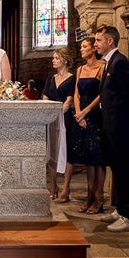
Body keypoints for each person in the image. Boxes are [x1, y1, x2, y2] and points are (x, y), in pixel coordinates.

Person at [94, 25, 129, 232]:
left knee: (124, 170)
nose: (95, 44)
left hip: (120, 125)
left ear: (109, 41)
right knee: (117, 168)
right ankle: (121, 209)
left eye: (98, 40)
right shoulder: (109, 62)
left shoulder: (120, 63)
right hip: (111, 124)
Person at [69, 37, 105, 214]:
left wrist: (86, 112)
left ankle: (99, 197)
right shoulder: (80, 69)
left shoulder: (102, 67)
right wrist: (78, 113)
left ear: (93, 49)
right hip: (80, 116)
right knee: (88, 160)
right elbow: (76, 93)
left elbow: (102, 94)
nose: (81, 49)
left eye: (84, 46)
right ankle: (89, 195)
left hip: (95, 115)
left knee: (98, 158)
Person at [42, 48, 75, 201]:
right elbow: (45, 96)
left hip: (65, 118)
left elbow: (69, 100)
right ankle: (53, 185)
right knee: (52, 151)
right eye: (53, 58)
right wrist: (46, 112)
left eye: (56, 58)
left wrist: (59, 114)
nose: (53, 60)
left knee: (66, 151)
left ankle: (66, 188)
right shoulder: (50, 78)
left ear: (65, 60)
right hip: (51, 118)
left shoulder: (72, 78)